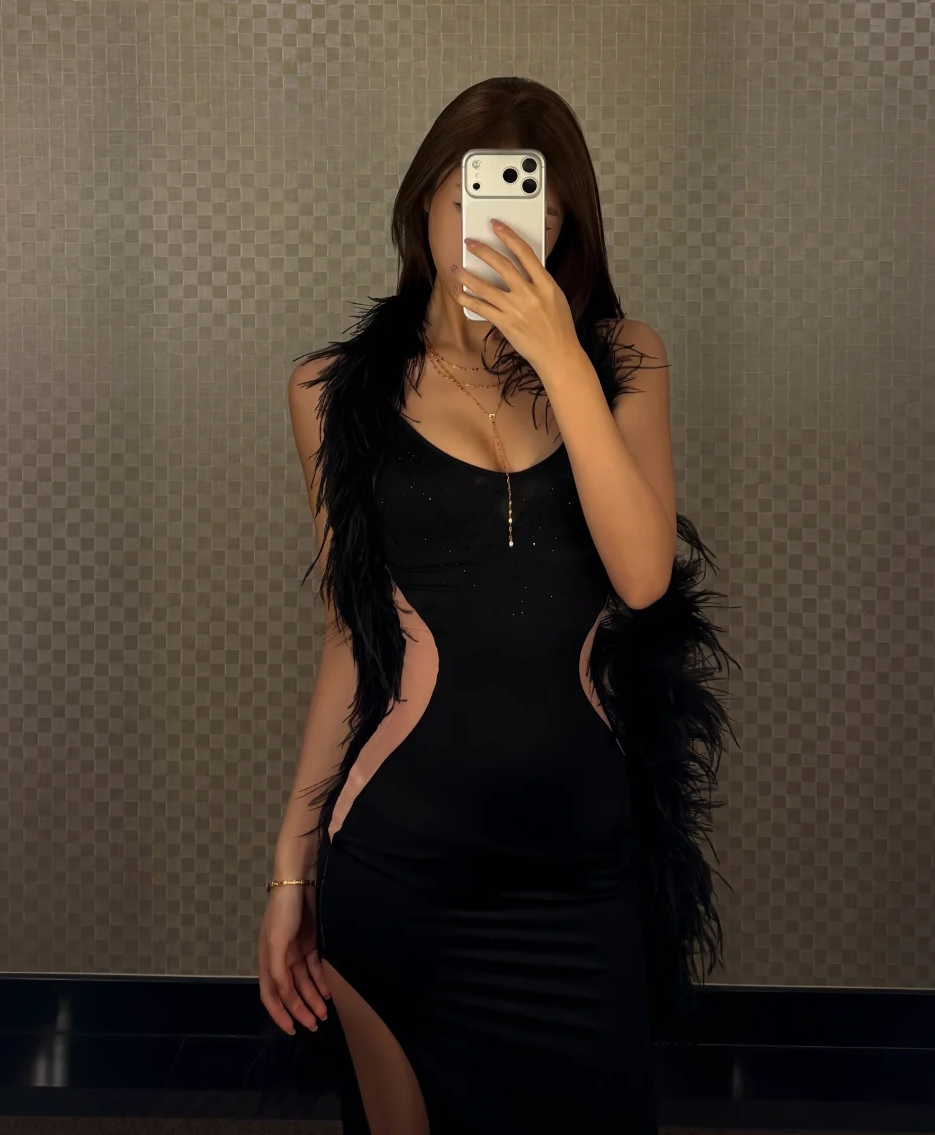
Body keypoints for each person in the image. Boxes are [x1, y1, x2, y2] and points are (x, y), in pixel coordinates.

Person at [257, 76, 735, 1134]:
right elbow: (351, 636)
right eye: (472, 198)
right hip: (401, 864)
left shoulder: (624, 359)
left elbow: (643, 576)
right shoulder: (330, 393)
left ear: (567, 230)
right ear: (423, 203)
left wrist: (560, 355)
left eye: (538, 213)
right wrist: (292, 869)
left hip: (579, 872)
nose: (504, 229)